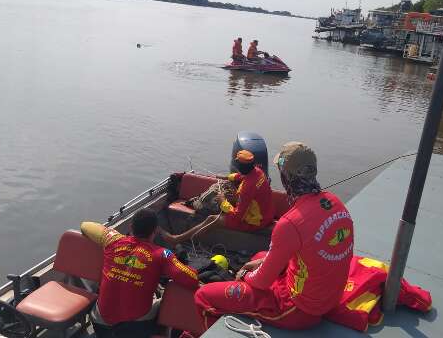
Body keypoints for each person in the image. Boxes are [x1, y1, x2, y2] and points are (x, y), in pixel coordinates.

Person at [194, 142, 354, 331]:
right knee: (259, 257)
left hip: (298, 309)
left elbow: (260, 282)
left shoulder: (290, 223)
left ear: (286, 177)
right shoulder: (336, 203)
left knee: (203, 295)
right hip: (327, 297)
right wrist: (258, 264)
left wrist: (244, 275)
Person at [81, 209, 199, 338]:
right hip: (134, 328)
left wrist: (112, 233)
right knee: (170, 295)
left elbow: (85, 225)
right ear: (154, 232)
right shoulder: (163, 254)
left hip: (100, 324)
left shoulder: (113, 241)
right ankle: (163, 333)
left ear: (131, 227)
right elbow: (192, 279)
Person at [161, 150, 275, 244]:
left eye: (238, 164)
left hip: (256, 222)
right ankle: (192, 236)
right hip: (266, 214)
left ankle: (176, 239)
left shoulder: (247, 188)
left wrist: (223, 201)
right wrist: (226, 177)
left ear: (242, 166)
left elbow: (237, 216)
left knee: (212, 219)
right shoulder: (258, 172)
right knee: (230, 199)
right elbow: (241, 177)